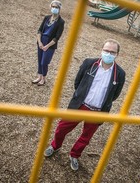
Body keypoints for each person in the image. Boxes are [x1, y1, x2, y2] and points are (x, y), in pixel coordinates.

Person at [44, 39, 126, 171]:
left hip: (98, 111)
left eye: (112, 52)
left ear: (117, 54)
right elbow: (77, 82)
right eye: (106, 50)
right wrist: (80, 96)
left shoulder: (120, 73)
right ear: (101, 50)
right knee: (61, 128)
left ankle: (75, 155)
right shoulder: (89, 63)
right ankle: (55, 145)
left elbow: (115, 95)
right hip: (80, 105)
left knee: (86, 137)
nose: (109, 54)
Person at [32, 0, 65, 86]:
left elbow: (57, 37)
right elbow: (39, 30)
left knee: (44, 62)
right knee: (39, 60)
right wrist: (39, 42)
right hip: (41, 41)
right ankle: (39, 76)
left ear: (59, 9)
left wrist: (47, 46)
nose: (54, 8)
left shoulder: (61, 22)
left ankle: (43, 78)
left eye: (56, 7)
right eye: (53, 6)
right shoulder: (47, 18)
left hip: (50, 44)